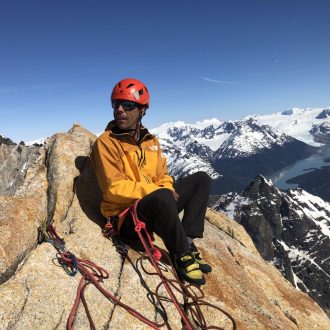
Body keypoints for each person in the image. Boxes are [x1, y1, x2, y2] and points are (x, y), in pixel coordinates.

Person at [91, 78, 212, 285]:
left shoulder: (150, 141)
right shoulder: (106, 143)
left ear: (141, 110)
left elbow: (163, 176)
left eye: (127, 105)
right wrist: (158, 191)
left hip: (155, 205)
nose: (120, 110)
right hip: (126, 218)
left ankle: (188, 241)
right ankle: (181, 254)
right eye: (116, 104)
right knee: (163, 195)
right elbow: (113, 188)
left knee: (201, 179)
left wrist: (164, 188)